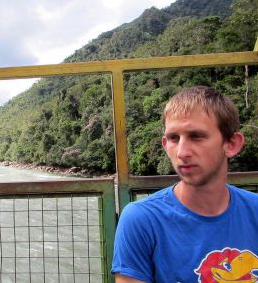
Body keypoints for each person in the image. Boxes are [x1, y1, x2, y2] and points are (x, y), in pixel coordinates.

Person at [111, 86, 258, 282]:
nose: (181, 152)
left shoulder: (254, 212)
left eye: (196, 136)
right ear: (165, 145)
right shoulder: (142, 220)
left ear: (231, 144)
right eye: (174, 138)